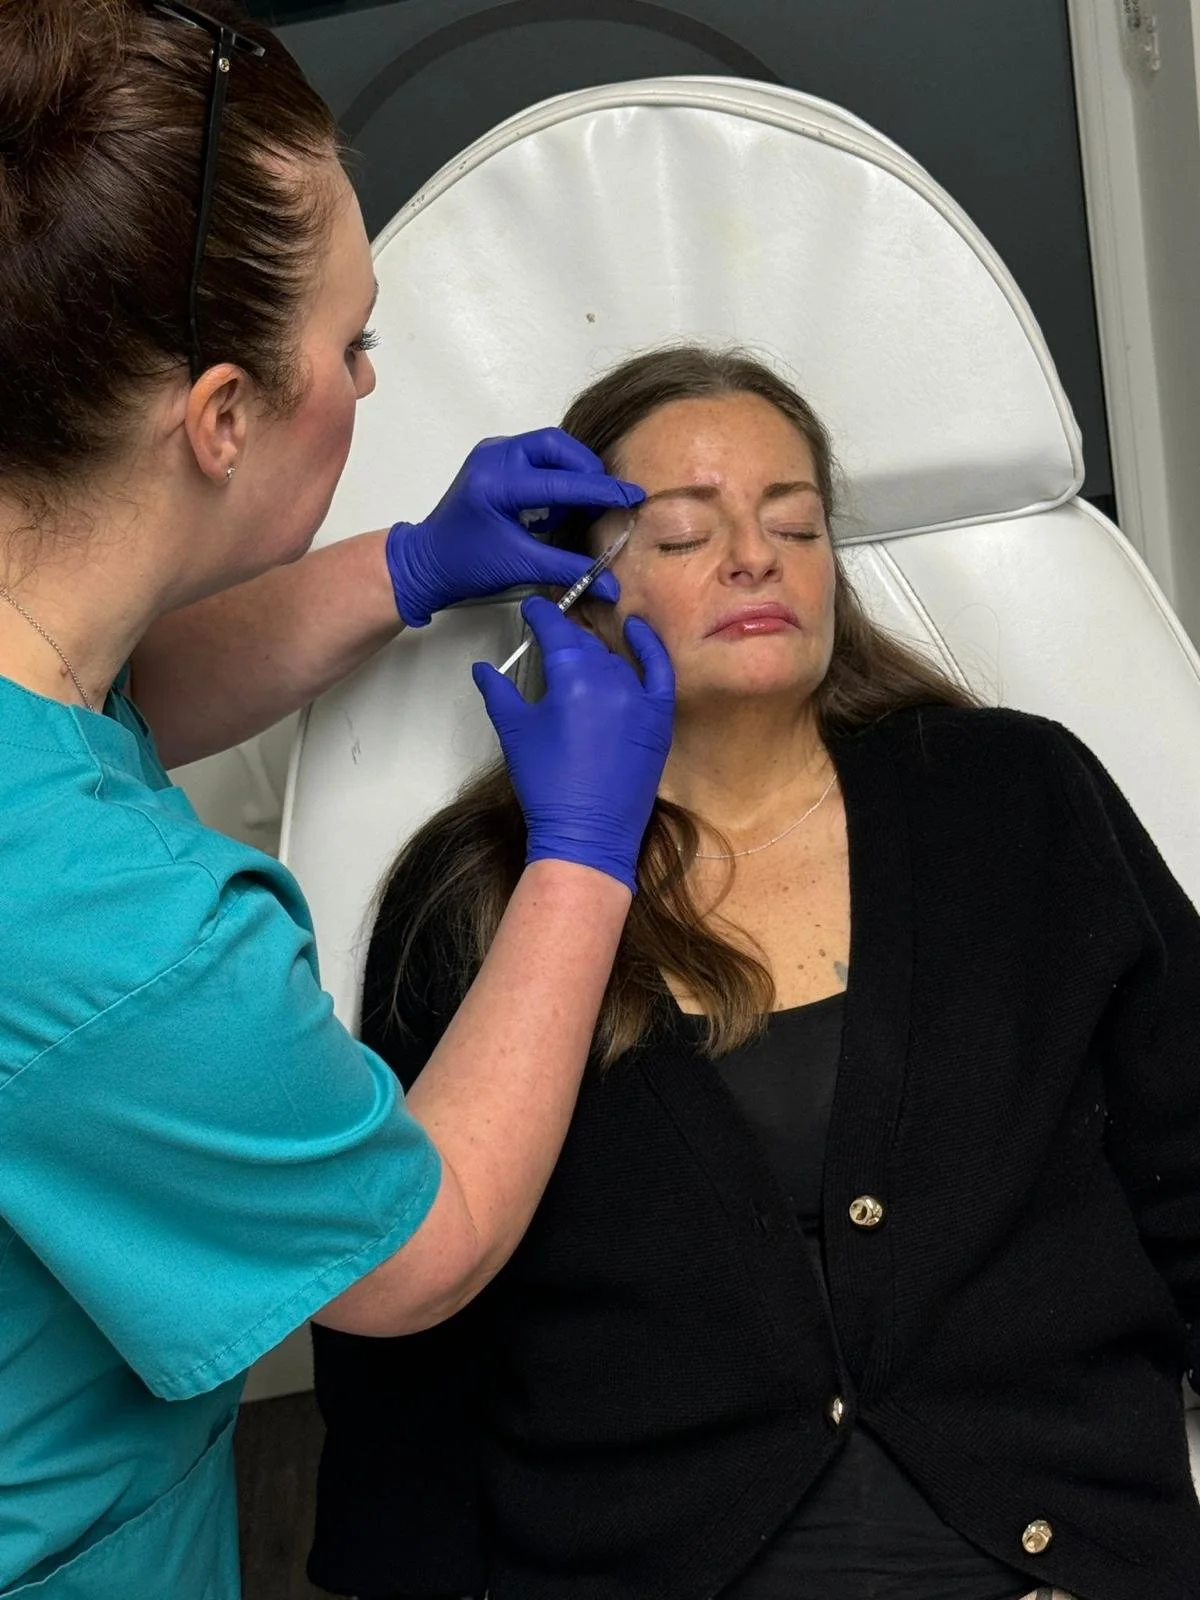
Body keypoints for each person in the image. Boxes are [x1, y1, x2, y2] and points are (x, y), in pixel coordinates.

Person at [310, 345, 1200, 1600]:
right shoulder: (473, 896)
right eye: (680, 534)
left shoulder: (1017, 798)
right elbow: (411, 1356)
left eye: (796, 522)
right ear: (581, 591)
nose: (755, 555)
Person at [0, 3, 675, 1596]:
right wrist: (584, 853)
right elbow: (416, 1251)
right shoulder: (126, 944)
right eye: (353, 344)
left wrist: (412, 565)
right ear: (222, 417)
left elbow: (114, 697)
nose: (373, 377)